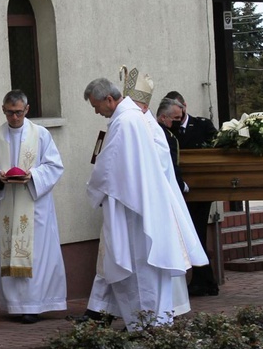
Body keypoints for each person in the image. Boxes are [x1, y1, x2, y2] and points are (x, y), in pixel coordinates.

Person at [83, 77, 207, 330]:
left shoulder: (125, 121)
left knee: (140, 268)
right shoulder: (132, 118)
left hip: (134, 210)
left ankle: (146, 325)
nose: (96, 111)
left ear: (109, 99)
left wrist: (94, 188)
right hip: (143, 202)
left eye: (96, 105)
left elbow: (109, 167)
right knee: (145, 269)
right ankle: (153, 322)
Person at [0, 89, 67, 324]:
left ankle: (34, 305)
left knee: (35, 254)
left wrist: (33, 176)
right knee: (10, 249)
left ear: (27, 110)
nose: (14, 117)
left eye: (18, 112)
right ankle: (15, 305)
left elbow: (55, 166)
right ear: (3, 110)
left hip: (34, 204)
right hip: (8, 203)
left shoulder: (41, 135)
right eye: (9, 113)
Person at [165, 90, 220, 297]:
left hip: (200, 190)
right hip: (180, 190)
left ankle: (205, 281)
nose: (178, 118)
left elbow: (215, 149)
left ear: (184, 106)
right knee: (189, 238)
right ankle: (203, 281)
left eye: (181, 112)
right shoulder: (171, 129)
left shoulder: (202, 125)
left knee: (197, 234)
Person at [156, 97, 186, 193]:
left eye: (180, 118)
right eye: (176, 118)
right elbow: (172, 166)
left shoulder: (154, 130)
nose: (179, 121)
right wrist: (181, 186)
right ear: (163, 117)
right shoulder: (168, 137)